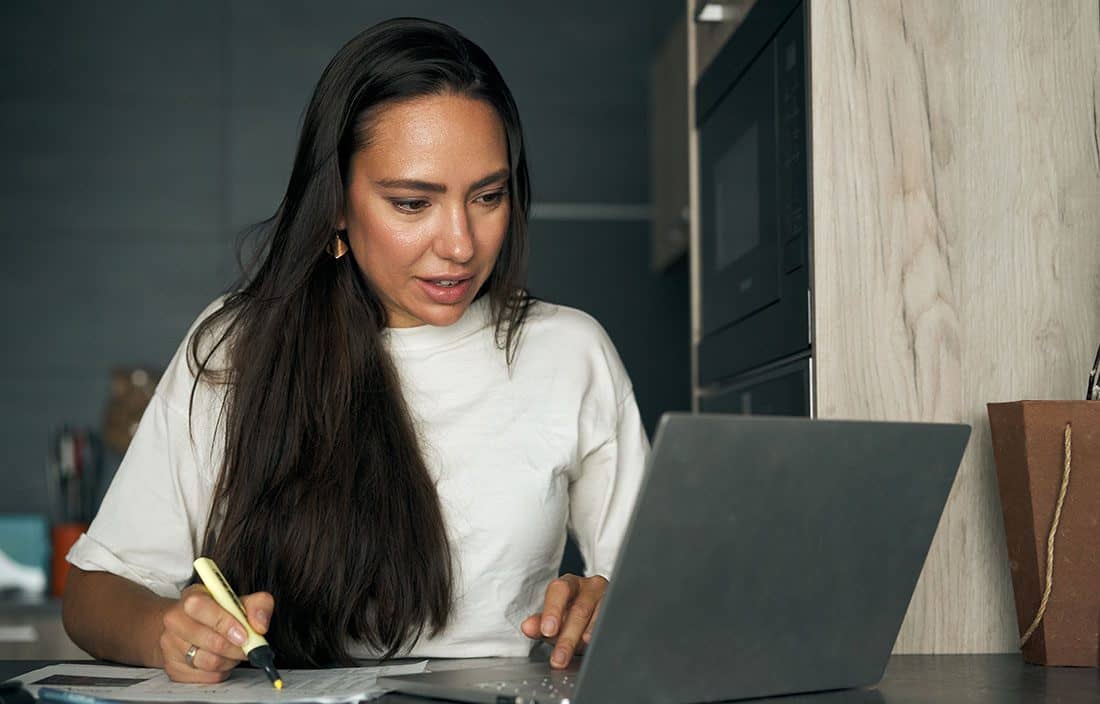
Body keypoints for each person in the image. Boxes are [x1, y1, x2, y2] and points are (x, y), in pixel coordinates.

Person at [61, 17, 648, 684]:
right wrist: (167, 631)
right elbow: (92, 593)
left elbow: (666, 602)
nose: (460, 243)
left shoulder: (569, 353)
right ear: (336, 204)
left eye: (488, 196)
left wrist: (605, 604)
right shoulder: (238, 347)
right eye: (411, 203)